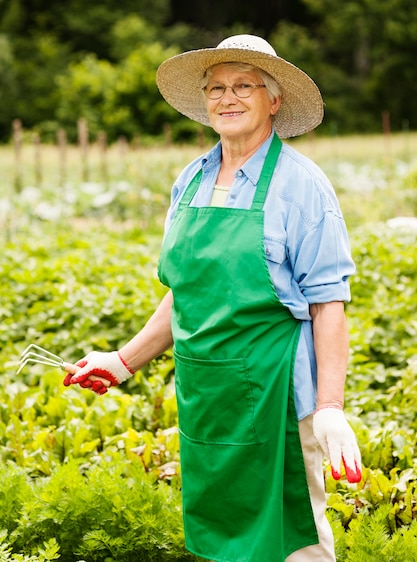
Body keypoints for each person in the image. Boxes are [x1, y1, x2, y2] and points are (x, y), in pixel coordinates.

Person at [64, 34, 362, 562]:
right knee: (218, 538)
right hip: (207, 397)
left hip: (275, 398)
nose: (227, 97)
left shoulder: (302, 186)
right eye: (216, 87)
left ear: (273, 100)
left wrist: (330, 407)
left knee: (292, 540)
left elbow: (327, 305)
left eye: (244, 85)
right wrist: (124, 361)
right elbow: (186, 292)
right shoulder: (192, 180)